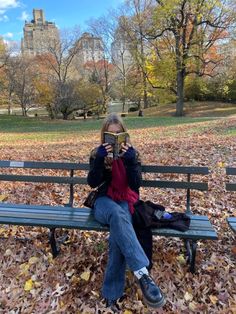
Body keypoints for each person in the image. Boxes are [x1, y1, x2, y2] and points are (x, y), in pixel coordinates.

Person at [87, 113, 165, 311]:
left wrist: (130, 163)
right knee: (116, 215)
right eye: (110, 134)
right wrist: (99, 161)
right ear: (104, 136)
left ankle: (111, 295)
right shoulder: (98, 154)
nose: (115, 137)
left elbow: (136, 185)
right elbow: (92, 183)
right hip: (104, 201)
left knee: (117, 234)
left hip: (125, 200)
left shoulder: (133, 154)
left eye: (118, 133)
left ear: (124, 134)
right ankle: (142, 274)